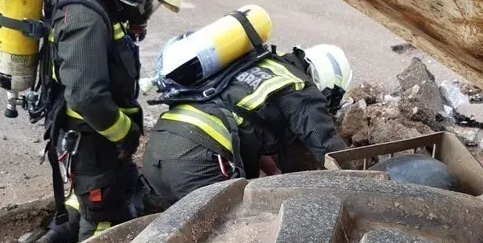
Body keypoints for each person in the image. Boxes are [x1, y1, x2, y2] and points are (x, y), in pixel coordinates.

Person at [34, 0, 186, 243]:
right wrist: (124, 133)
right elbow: (86, 96)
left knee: (114, 191)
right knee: (101, 218)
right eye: (149, 2)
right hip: (92, 139)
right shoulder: (87, 18)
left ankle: (55, 237)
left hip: (99, 139)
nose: (147, 11)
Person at [142, 43, 351, 205]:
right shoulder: (301, 89)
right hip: (197, 162)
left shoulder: (265, 64)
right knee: (237, 232)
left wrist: (272, 170)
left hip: (157, 153)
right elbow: (329, 148)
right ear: (329, 86)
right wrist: (361, 182)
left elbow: (243, 118)